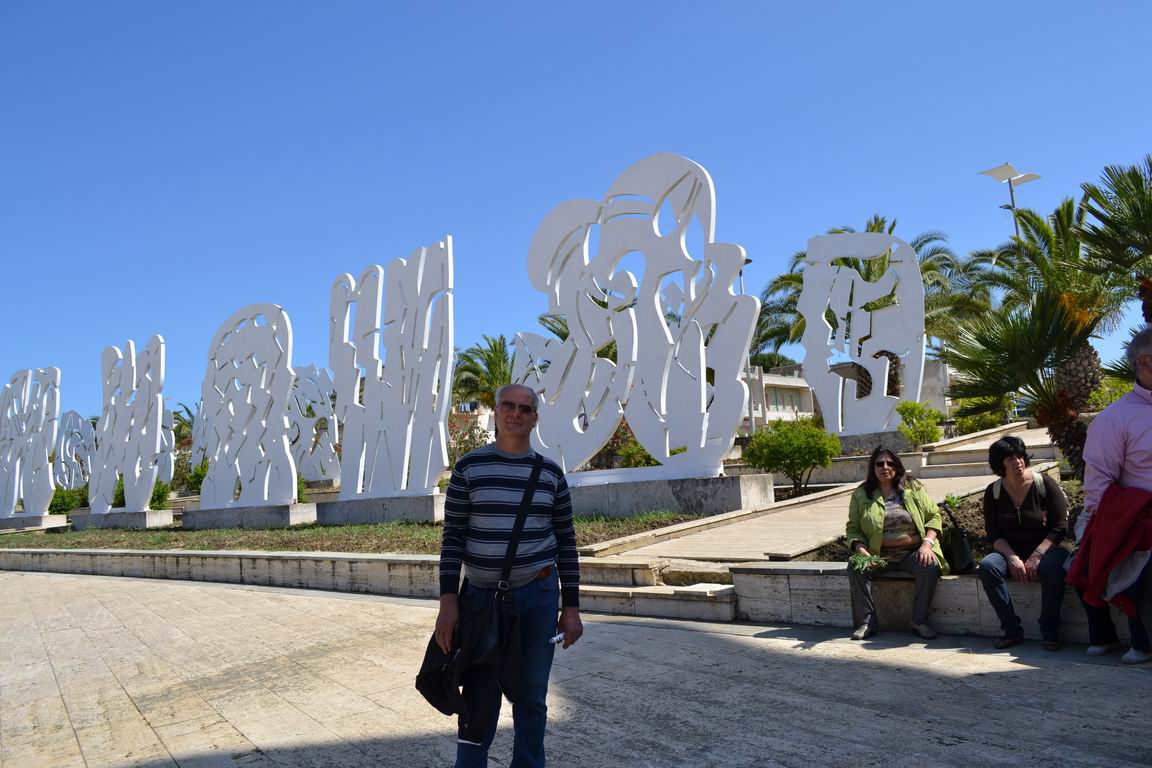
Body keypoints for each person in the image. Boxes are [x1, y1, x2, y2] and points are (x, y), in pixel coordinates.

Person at [435, 383, 584, 767]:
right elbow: (453, 538)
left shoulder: (550, 474)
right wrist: (448, 602)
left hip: (537, 598)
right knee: (478, 695)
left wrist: (571, 609)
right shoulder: (469, 468)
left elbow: (566, 543)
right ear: (497, 412)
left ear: (535, 418)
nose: (516, 413)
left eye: (525, 408)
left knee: (531, 695)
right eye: (508, 406)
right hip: (480, 600)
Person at [1068, 324, 1152, 665]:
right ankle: (1141, 640)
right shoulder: (1114, 420)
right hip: (1137, 519)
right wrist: (1114, 530)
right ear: (1145, 363)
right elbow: (1099, 487)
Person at [977, 436, 1070, 651]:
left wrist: (1037, 555)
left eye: (1019, 456)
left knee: (1054, 568)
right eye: (1010, 458)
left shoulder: (1044, 484)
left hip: (1048, 549)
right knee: (988, 566)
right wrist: (1012, 558)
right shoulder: (994, 492)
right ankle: (1012, 630)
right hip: (1011, 550)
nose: (1017, 461)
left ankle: (1050, 631)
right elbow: (993, 532)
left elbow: (1060, 527)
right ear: (999, 463)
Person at [845, 446, 948, 640]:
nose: (885, 467)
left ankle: (919, 621)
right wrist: (861, 550)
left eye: (890, 463)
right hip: (877, 556)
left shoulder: (912, 487)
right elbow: (853, 528)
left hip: (912, 553)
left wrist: (927, 544)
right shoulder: (861, 494)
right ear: (873, 467)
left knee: (929, 566)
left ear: (897, 466)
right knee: (855, 567)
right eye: (880, 463)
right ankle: (867, 622)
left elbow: (934, 516)